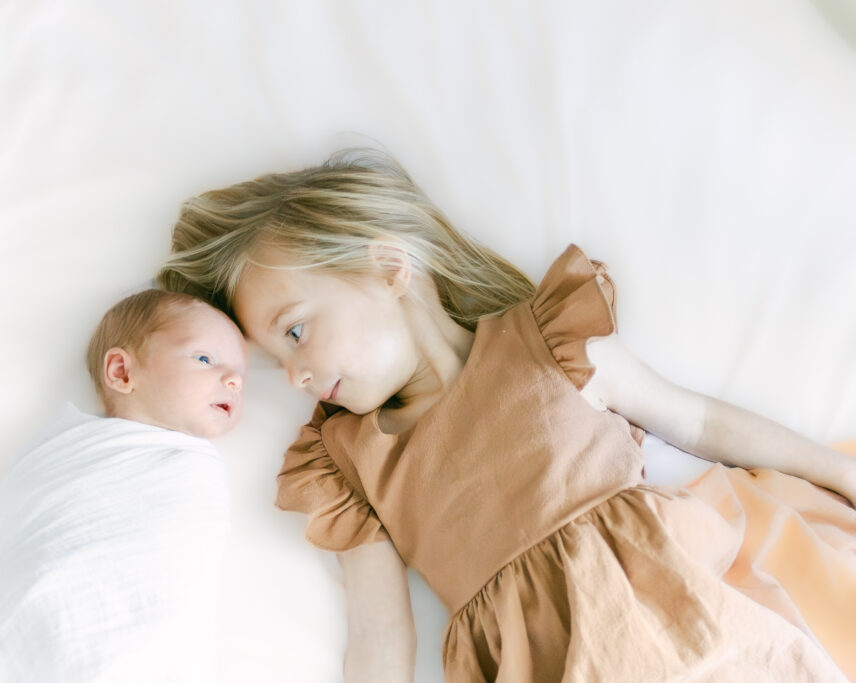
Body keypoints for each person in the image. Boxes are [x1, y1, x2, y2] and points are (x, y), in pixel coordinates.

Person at [156, 149, 856, 683]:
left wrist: (838, 471)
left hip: (697, 624)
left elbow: (698, 422)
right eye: (277, 357)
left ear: (388, 268)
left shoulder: (549, 343)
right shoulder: (347, 460)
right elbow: (377, 631)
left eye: (296, 331)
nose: (296, 374)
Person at [0, 290, 247, 682]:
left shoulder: (189, 470)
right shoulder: (73, 458)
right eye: (205, 359)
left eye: (242, 376)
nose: (233, 380)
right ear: (122, 372)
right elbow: (34, 531)